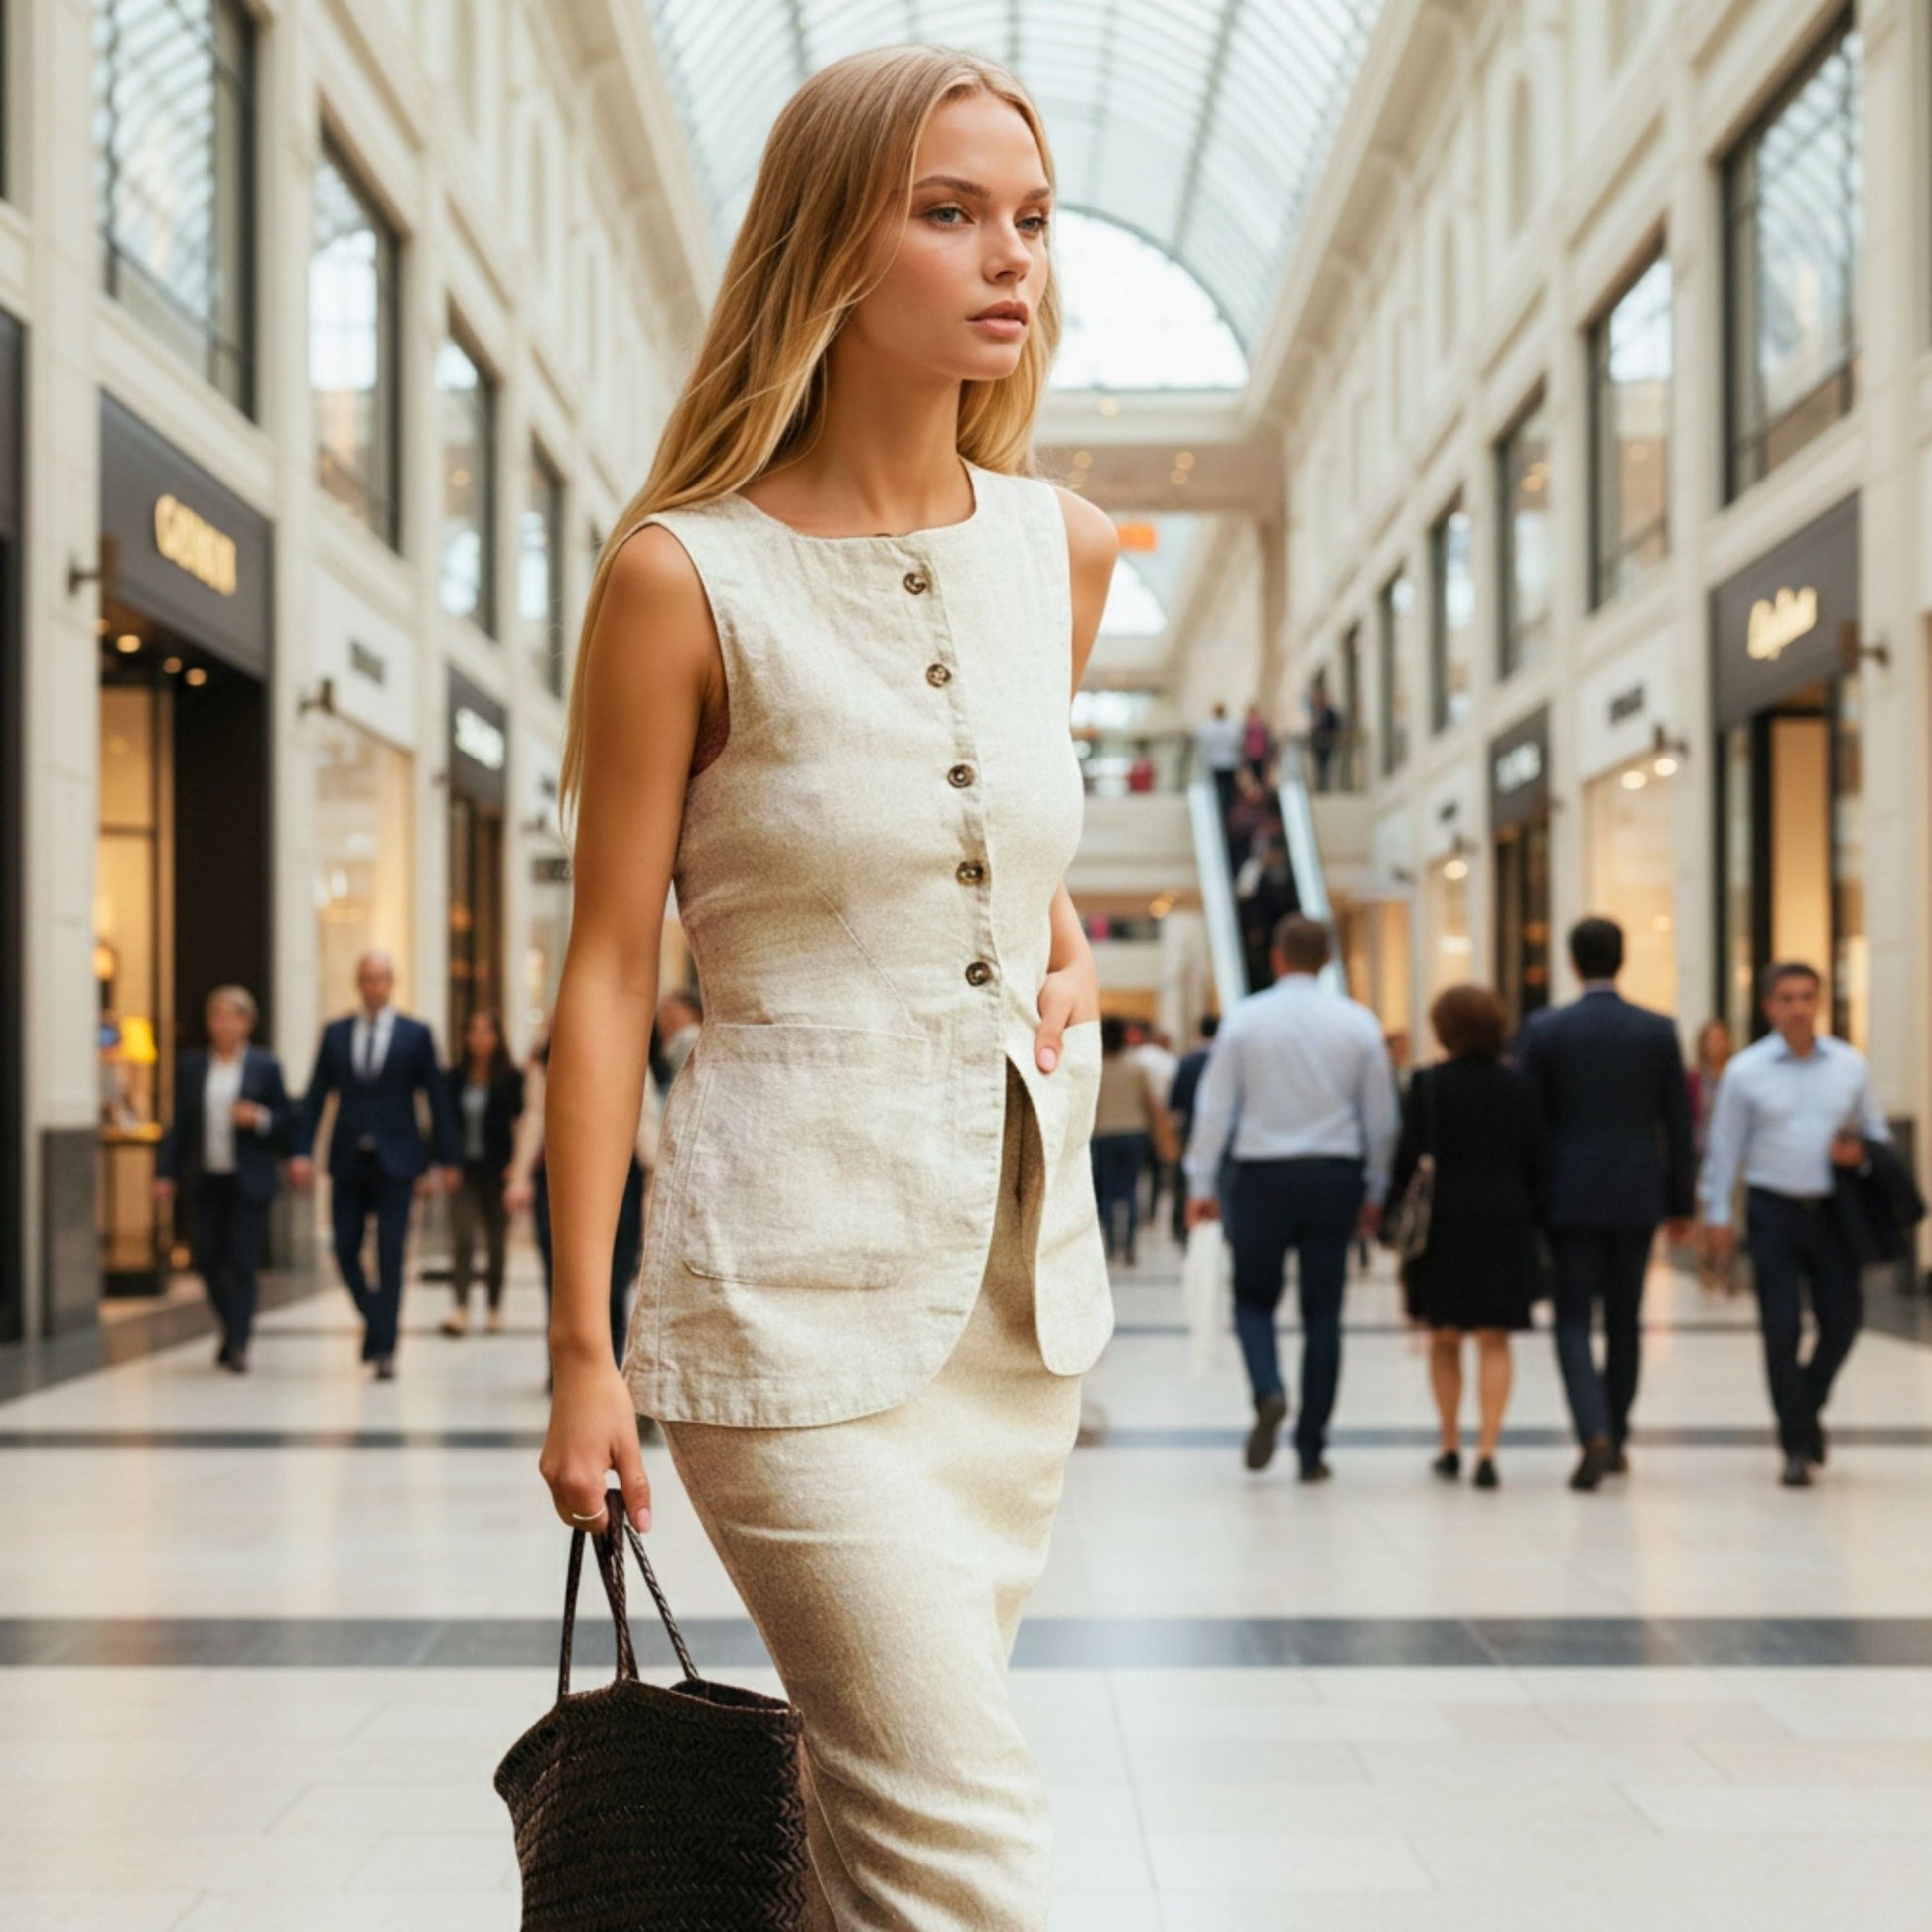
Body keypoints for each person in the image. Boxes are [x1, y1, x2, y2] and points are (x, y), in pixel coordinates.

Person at [535, 49, 1118, 1928]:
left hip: (1014, 1314)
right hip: (779, 1312)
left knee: (876, 1857)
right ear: (826, 249)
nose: (1006, 258)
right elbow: (612, 972)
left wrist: (1052, 943)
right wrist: (577, 1350)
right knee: (970, 1853)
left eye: (1028, 217)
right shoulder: (680, 579)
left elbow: (1007, 843)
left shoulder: (1067, 551)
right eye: (946, 212)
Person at [1185, 914, 1399, 1479]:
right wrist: (1375, 1189)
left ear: (1278, 958)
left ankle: (1268, 1389)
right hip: (1335, 1175)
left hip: (1260, 1177)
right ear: (1328, 960)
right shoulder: (1359, 1024)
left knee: (1253, 1297)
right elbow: (1381, 1121)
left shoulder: (1246, 1020)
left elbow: (1214, 1109)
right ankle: (1312, 1448)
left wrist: (1201, 1184)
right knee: (1323, 1313)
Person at [1514, 917, 1695, 1492]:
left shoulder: (1545, 1030)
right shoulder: (1656, 1030)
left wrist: (1531, 1194)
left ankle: (1590, 1427)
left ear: (1570, 962)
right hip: (1637, 1193)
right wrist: (1681, 1201)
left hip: (1568, 1196)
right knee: (1624, 1320)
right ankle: (1614, 1434)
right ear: (1622, 959)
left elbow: (1530, 1123)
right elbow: (1678, 1123)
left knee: (1571, 1319)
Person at [1699, 961, 1888, 1488]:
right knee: (1780, 1327)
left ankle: (1805, 1405)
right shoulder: (1745, 1072)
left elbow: (1875, 1131)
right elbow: (1724, 1149)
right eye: (1787, 997)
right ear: (1768, 1007)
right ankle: (1796, 1445)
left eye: (1807, 996)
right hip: (1772, 1211)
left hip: (1833, 1212)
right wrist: (1716, 1214)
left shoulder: (1848, 1065)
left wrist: (1862, 1155)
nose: (1798, 1007)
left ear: (1820, 1002)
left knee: (1843, 1321)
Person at [1389, 986, 1546, 1490]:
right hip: (1506, 1220)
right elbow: (1538, 1158)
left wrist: (1388, 1216)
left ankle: (1450, 1443)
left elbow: (1406, 1159)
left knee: (1445, 1336)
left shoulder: (1427, 1085)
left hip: (1443, 1224)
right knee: (1494, 1338)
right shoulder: (1520, 1085)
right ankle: (1488, 1450)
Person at [288, 952, 461, 1380]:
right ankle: (378, 1322)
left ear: (392, 983)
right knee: (345, 1249)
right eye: (367, 978)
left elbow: (435, 1100)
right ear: (358, 983)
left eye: (381, 978)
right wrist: (301, 1151)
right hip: (347, 1160)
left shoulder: (415, 1034)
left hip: (398, 1163)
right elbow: (314, 1097)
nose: (374, 986)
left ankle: (385, 1349)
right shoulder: (335, 1033)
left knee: (389, 1252)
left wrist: (446, 1158)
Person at [153, 985, 292, 1373]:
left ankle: (241, 1344)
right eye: (217, 1016)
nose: (224, 1024)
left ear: (248, 1022)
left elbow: (286, 1119)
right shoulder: (192, 1066)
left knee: (243, 1261)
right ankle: (233, 1326)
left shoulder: (265, 1066)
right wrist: (164, 1173)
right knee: (208, 1260)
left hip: (249, 1179)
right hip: (206, 1177)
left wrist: (259, 1118)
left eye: (233, 1016)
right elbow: (179, 1125)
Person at [505, 1022, 651, 1375]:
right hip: (561, 1177)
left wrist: (658, 1170)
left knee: (615, 1283)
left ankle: (609, 1368)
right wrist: (521, 1175)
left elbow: (644, 1116)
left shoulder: (629, 1050)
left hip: (619, 1179)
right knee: (562, 1281)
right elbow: (535, 1116)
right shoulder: (546, 1060)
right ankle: (565, 1372)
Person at [439, 1010, 525, 1336]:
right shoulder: (454, 1078)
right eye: (472, 1031)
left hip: (498, 1169)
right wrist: (444, 1162)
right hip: (464, 1169)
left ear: (497, 1037)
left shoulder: (511, 1078)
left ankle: (494, 1307)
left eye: (485, 1030)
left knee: (496, 1240)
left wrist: (517, 1165)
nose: (478, 1037)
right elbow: (444, 1123)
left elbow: (522, 1124)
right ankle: (460, 1308)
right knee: (462, 1237)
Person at [1092, 1017, 1170, 1267]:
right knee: (1130, 1190)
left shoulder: (1095, 1067)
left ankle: (1112, 1245)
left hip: (1103, 1134)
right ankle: (1130, 1247)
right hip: (1134, 1134)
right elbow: (1150, 1103)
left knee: (1105, 1191)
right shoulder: (1136, 1067)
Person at [1688, 1018, 1736, 1291]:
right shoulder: (1694, 1080)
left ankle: (1726, 1265)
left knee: (1730, 1211)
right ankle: (1705, 1263)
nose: (1714, 1045)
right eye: (1709, 1040)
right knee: (1703, 1211)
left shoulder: (1736, 1077)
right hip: (1702, 1154)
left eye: (1719, 1039)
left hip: (1730, 1156)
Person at [1166, 1013, 1219, 1242]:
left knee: (1185, 1177)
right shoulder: (1224, 1061)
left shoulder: (1187, 1063)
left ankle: (1183, 1226)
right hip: (1221, 1132)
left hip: (1191, 1129)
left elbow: (1174, 1101)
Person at [1195, 700, 1243, 823]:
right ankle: (1222, 811)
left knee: (1226, 789)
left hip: (1225, 763)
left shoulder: (1228, 726)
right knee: (1222, 789)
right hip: (1220, 763)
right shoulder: (1226, 726)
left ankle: (1225, 811)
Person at [656, 987, 703, 1086]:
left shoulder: (689, 1036)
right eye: (662, 1010)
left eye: (669, 1010)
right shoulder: (663, 1048)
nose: (663, 1018)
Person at [1240, 700, 1273, 785]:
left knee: (1261, 776)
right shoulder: (1247, 724)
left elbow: (1266, 738)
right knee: (1254, 776)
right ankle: (1256, 793)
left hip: (1260, 753)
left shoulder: (1261, 723)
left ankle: (1261, 793)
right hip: (1252, 753)